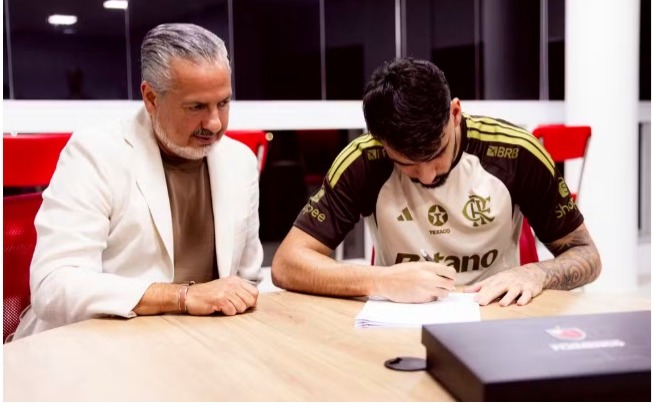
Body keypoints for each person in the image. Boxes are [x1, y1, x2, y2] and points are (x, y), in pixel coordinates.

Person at [272, 58, 601, 306]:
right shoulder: (363, 161)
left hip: (495, 313)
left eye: (437, 153)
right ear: (380, 141)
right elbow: (287, 264)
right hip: (398, 319)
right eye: (407, 165)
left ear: (455, 113)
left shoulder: (515, 153)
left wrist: (536, 273)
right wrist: (380, 280)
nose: (428, 176)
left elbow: (586, 254)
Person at [10, 23, 262, 341]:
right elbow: (54, 286)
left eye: (223, 103)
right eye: (196, 106)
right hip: (96, 344)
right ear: (151, 98)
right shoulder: (96, 153)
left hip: (196, 343)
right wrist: (181, 297)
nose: (214, 123)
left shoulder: (240, 161)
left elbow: (247, 280)